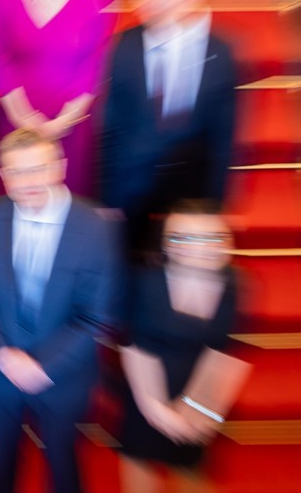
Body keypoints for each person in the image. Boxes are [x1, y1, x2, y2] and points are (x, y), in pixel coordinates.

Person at [0, 129, 119, 493]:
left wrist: (42, 366)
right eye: (17, 172)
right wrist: (3, 353)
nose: (28, 182)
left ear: (60, 167)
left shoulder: (96, 226)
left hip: (64, 376)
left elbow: (98, 315)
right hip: (1, 372)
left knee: (63, 467)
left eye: (38, 169)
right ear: (2, 175)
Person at [100, 0, 238, 258]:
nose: (154, 0)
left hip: (191, 200)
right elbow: (109, 128)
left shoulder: (223, 53)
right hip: (130, 193)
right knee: (130, 270)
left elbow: (224, 140)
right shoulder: (125, 45)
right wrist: (108, 200)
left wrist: (215, 207)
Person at [0, 0, 119, 196]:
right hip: (15, 110)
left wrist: (64, 121)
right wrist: (22, 116)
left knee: (67, 193)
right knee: (13, 193)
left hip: (71, 119)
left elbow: (96, 61)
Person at [118, 201, 249, 493]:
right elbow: (135, 347)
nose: (194, 247)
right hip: (146, 393)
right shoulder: (144, 281)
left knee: (191, 473)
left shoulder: (237, 284)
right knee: (140, 471)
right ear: (166, 243)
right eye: (181, 237)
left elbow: (226, 353)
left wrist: (200, 411)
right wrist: (156, 409)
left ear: (225, 240)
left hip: (201, 396)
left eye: (208, 237)